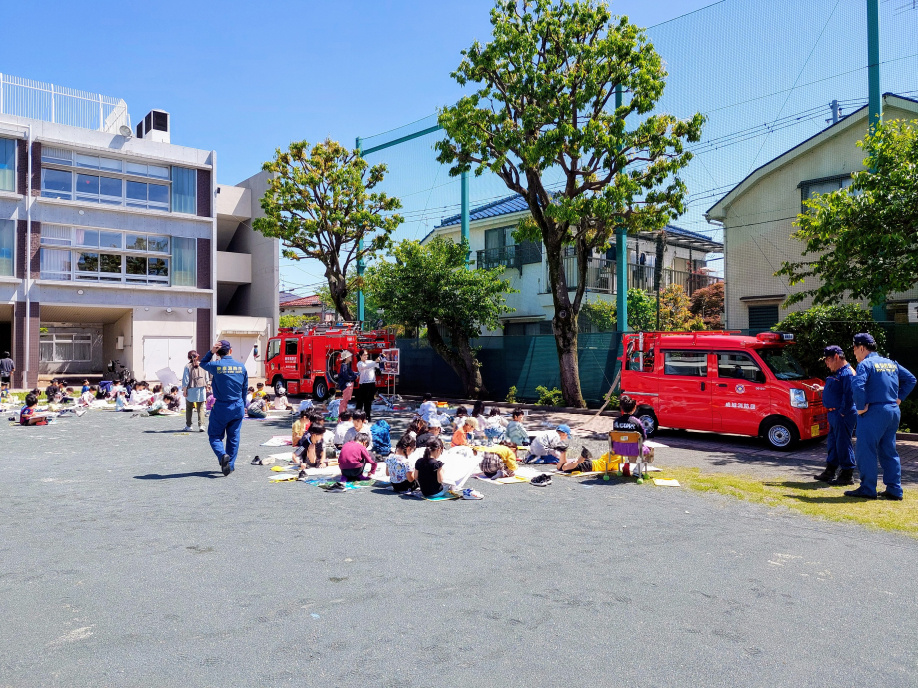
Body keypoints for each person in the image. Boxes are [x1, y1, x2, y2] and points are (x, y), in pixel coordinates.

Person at [845, 333, 916, 501]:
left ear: (862, 348)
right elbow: (911, 379)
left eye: (855, 349)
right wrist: (899, 398)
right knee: (889, 451)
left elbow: (858, 386)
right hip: (892, 411)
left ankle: (868, 488)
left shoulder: (865, 364)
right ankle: (894, 489)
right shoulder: (891, 363)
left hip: (873, 412)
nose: (854, 353)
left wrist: (860, 408)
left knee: (866, 451)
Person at [200, 339, 248, 477]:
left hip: (221, 406)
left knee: (215, 436)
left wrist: (211, 352)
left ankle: (222, 455)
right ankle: (230, 465)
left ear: (218, 353)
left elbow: (202, 363)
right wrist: (243, 406)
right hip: (237, 405)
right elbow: (244, 389)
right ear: (230, 351)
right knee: (234, 437)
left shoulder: (216, 365)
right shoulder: (242, 367)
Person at [813, 345, 857, 485]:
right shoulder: (839, 373)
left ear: (836, 357)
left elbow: (849, 395)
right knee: (833, 443)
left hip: (841, 414)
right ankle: (830, 471)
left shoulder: (847, 373)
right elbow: (839, 390)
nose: (826, 364)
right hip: (834, 413)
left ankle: (847, 474)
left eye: (828, 360)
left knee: (843, 443)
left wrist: (843, 413)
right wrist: (822, 388)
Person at [182, 349, 208, 433]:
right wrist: (207, 386)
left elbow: (185, 379)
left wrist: (184, 390)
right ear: (197, 356)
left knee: (189, 408)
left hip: (191, 388)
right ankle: (202, 425)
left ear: (188, 357)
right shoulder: (203, 365)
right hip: (201, 388)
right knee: (200, 408)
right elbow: (206, 377)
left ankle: (189, 425)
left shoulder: (187, 366)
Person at [355, 349, 384, 421]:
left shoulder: (370, 362)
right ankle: (357, 416)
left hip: (371, 383)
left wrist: (381, 359)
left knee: (368, 401)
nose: (366, 356)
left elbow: (377, 365)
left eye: (366, 355)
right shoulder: (359, 363)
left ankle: (367, 416)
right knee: (361, 401)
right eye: (364, 355)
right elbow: (367, 366)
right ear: (360, 356)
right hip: (364, 384)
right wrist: (375, 361)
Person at [337, 351, 358, 416]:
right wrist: (354, 377)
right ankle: (341, 417)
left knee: (344, 402)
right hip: (346, 386)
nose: (351, 357)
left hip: (346, 385)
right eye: (349, 356)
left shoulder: (345, 366)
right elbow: (346, 376)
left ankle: (343, 416)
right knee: (344, 402)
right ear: (346, 358)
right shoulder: (344, 366)